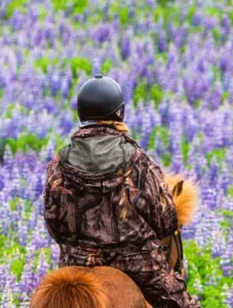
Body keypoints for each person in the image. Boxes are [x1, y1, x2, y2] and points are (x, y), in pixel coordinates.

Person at [43, 76, 199, 308]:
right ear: (119, 113)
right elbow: (165, 219)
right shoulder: (139, 161)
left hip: (75, 262)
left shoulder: (59, 163)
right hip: (138, 264)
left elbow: (53, 222)